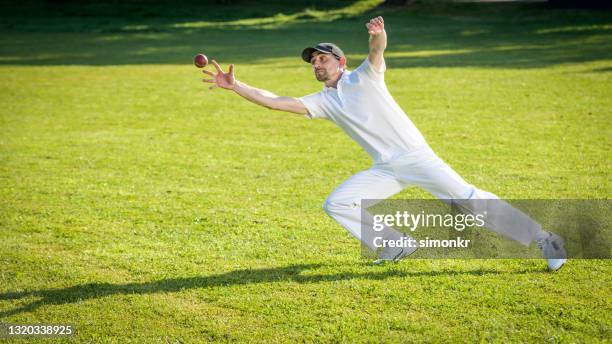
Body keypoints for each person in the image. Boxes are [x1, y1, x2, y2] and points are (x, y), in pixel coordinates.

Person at [202, 16, 567, 271]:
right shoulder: (323, 101)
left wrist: (377, 34)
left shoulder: (365, 76)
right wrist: (237, 86)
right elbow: (276, 101)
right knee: (338, 203)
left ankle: (545, 238)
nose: (317, 64)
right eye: (313, 61)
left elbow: (377, 51)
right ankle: (396, 244)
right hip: (386, 168)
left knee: (471, 203)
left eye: (323, 57)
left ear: (340, 62)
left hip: (417, 157)